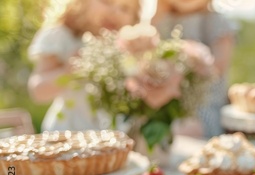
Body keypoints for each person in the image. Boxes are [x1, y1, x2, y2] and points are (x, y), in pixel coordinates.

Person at [28, 0, 176, 132]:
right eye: (107, 2)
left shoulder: (128, 48)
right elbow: (38, 91)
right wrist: (70, 70)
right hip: (67, 134)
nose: (115, 12)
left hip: (111, 136)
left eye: (125, 8)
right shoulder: (62, 36)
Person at [152, 0, 237, 139]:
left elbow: (219, 66)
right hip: (166, 106)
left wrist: (192, 58)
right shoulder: (163, 20)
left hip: (203, 107)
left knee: (184, 129)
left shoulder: (213, 20)